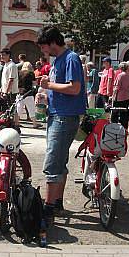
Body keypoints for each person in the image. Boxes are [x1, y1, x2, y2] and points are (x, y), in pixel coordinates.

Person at [37, 26, 86, 225]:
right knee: (59, 162)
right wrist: (47, 94)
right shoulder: (58, 60)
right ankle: (56, 203)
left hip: (64, 117)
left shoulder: (71, 58)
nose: (43, 51)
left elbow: (75, 88)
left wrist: (49, 86)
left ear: (52, 42)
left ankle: (48, 209)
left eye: (43, 46)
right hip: (58, 114)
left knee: (52, 163)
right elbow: (63, 88)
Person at [17, 61, 41, 128]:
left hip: (20, 93)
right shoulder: (31, 73)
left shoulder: (19, 72)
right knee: (31, 109)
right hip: (28, 93)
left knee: (19, 109)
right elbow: (34, 83)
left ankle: (16, 122)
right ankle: (34, 124)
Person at [110, 61, 129, 130]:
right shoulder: (128, 75)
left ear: (121, 68)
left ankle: (114, 128)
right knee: (125, 114)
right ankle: (124, 129)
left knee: (115, 113)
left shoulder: (120, 75)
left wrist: (113, 97)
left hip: (119, 97)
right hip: (127, 97)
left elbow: (116, 87)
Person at [0, 48, 19, 122]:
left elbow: (11, 80)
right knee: (7, 109)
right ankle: (8, 122)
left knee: (12, 108)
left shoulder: (12, 65)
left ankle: (16, 124)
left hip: (11, 92)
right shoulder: (5, 65)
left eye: (3, 55)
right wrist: (1, 90)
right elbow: (5, 80)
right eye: (1, 55)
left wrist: (6, 92)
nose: (2, 57)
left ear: (8, 55)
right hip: (5, 91)